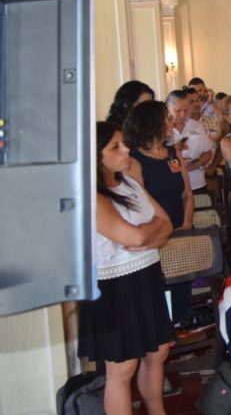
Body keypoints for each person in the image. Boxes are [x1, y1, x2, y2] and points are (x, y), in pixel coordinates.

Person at [79, 122, 174, 415]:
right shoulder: (92, 197)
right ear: (95, 156)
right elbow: (132, 237)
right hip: (114, 287)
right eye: (115, 146)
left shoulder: (129, 182)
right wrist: (149, 233)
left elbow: (166, 223)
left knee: (157, 353)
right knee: (122, 368)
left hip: (145, 276)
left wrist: (149, 234)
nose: (126, 150)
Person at [123, 100, 194, 326]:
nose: (172, 121)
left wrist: (186, 225)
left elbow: (187, 194)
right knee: (161, 293)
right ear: (152, 122)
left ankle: (184, 328)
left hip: (180, 230)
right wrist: (166, 232)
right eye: (167, 117)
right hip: (157, 235)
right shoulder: (135, 160)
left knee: (182, 287)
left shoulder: (173, 153)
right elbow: (141, 204)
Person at [167, 89, 214, 196]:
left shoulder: (196, 126)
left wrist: (197, 164)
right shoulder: (162, 129)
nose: (183, 114)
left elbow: (208, 152)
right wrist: (179, 166)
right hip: (173, 183)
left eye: (186, 110)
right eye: (178, 111)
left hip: (197, 182)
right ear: (167, 108)